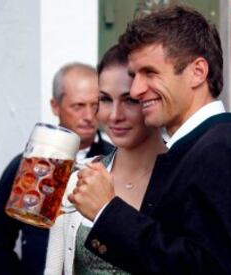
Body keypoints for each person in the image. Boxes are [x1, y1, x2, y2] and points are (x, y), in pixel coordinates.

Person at [68, 5, 231, 274]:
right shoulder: (205, 146)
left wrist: (106, 212)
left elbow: (205, 269)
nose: (136, 89)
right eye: (135, 76)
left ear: (197, 72)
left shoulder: (220, 152)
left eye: (150, 73)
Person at [0, 62, 114, 275]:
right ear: (55, 106)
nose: (89, 116)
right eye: (78, 106)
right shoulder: (30, 164)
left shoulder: (116, 161)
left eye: (95, 104)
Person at [44, 44, 167, 275]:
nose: (114, 116)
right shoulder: (78, 179)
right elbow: (53, 269)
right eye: (105, 100)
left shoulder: (183, 177)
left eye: (130, 100)